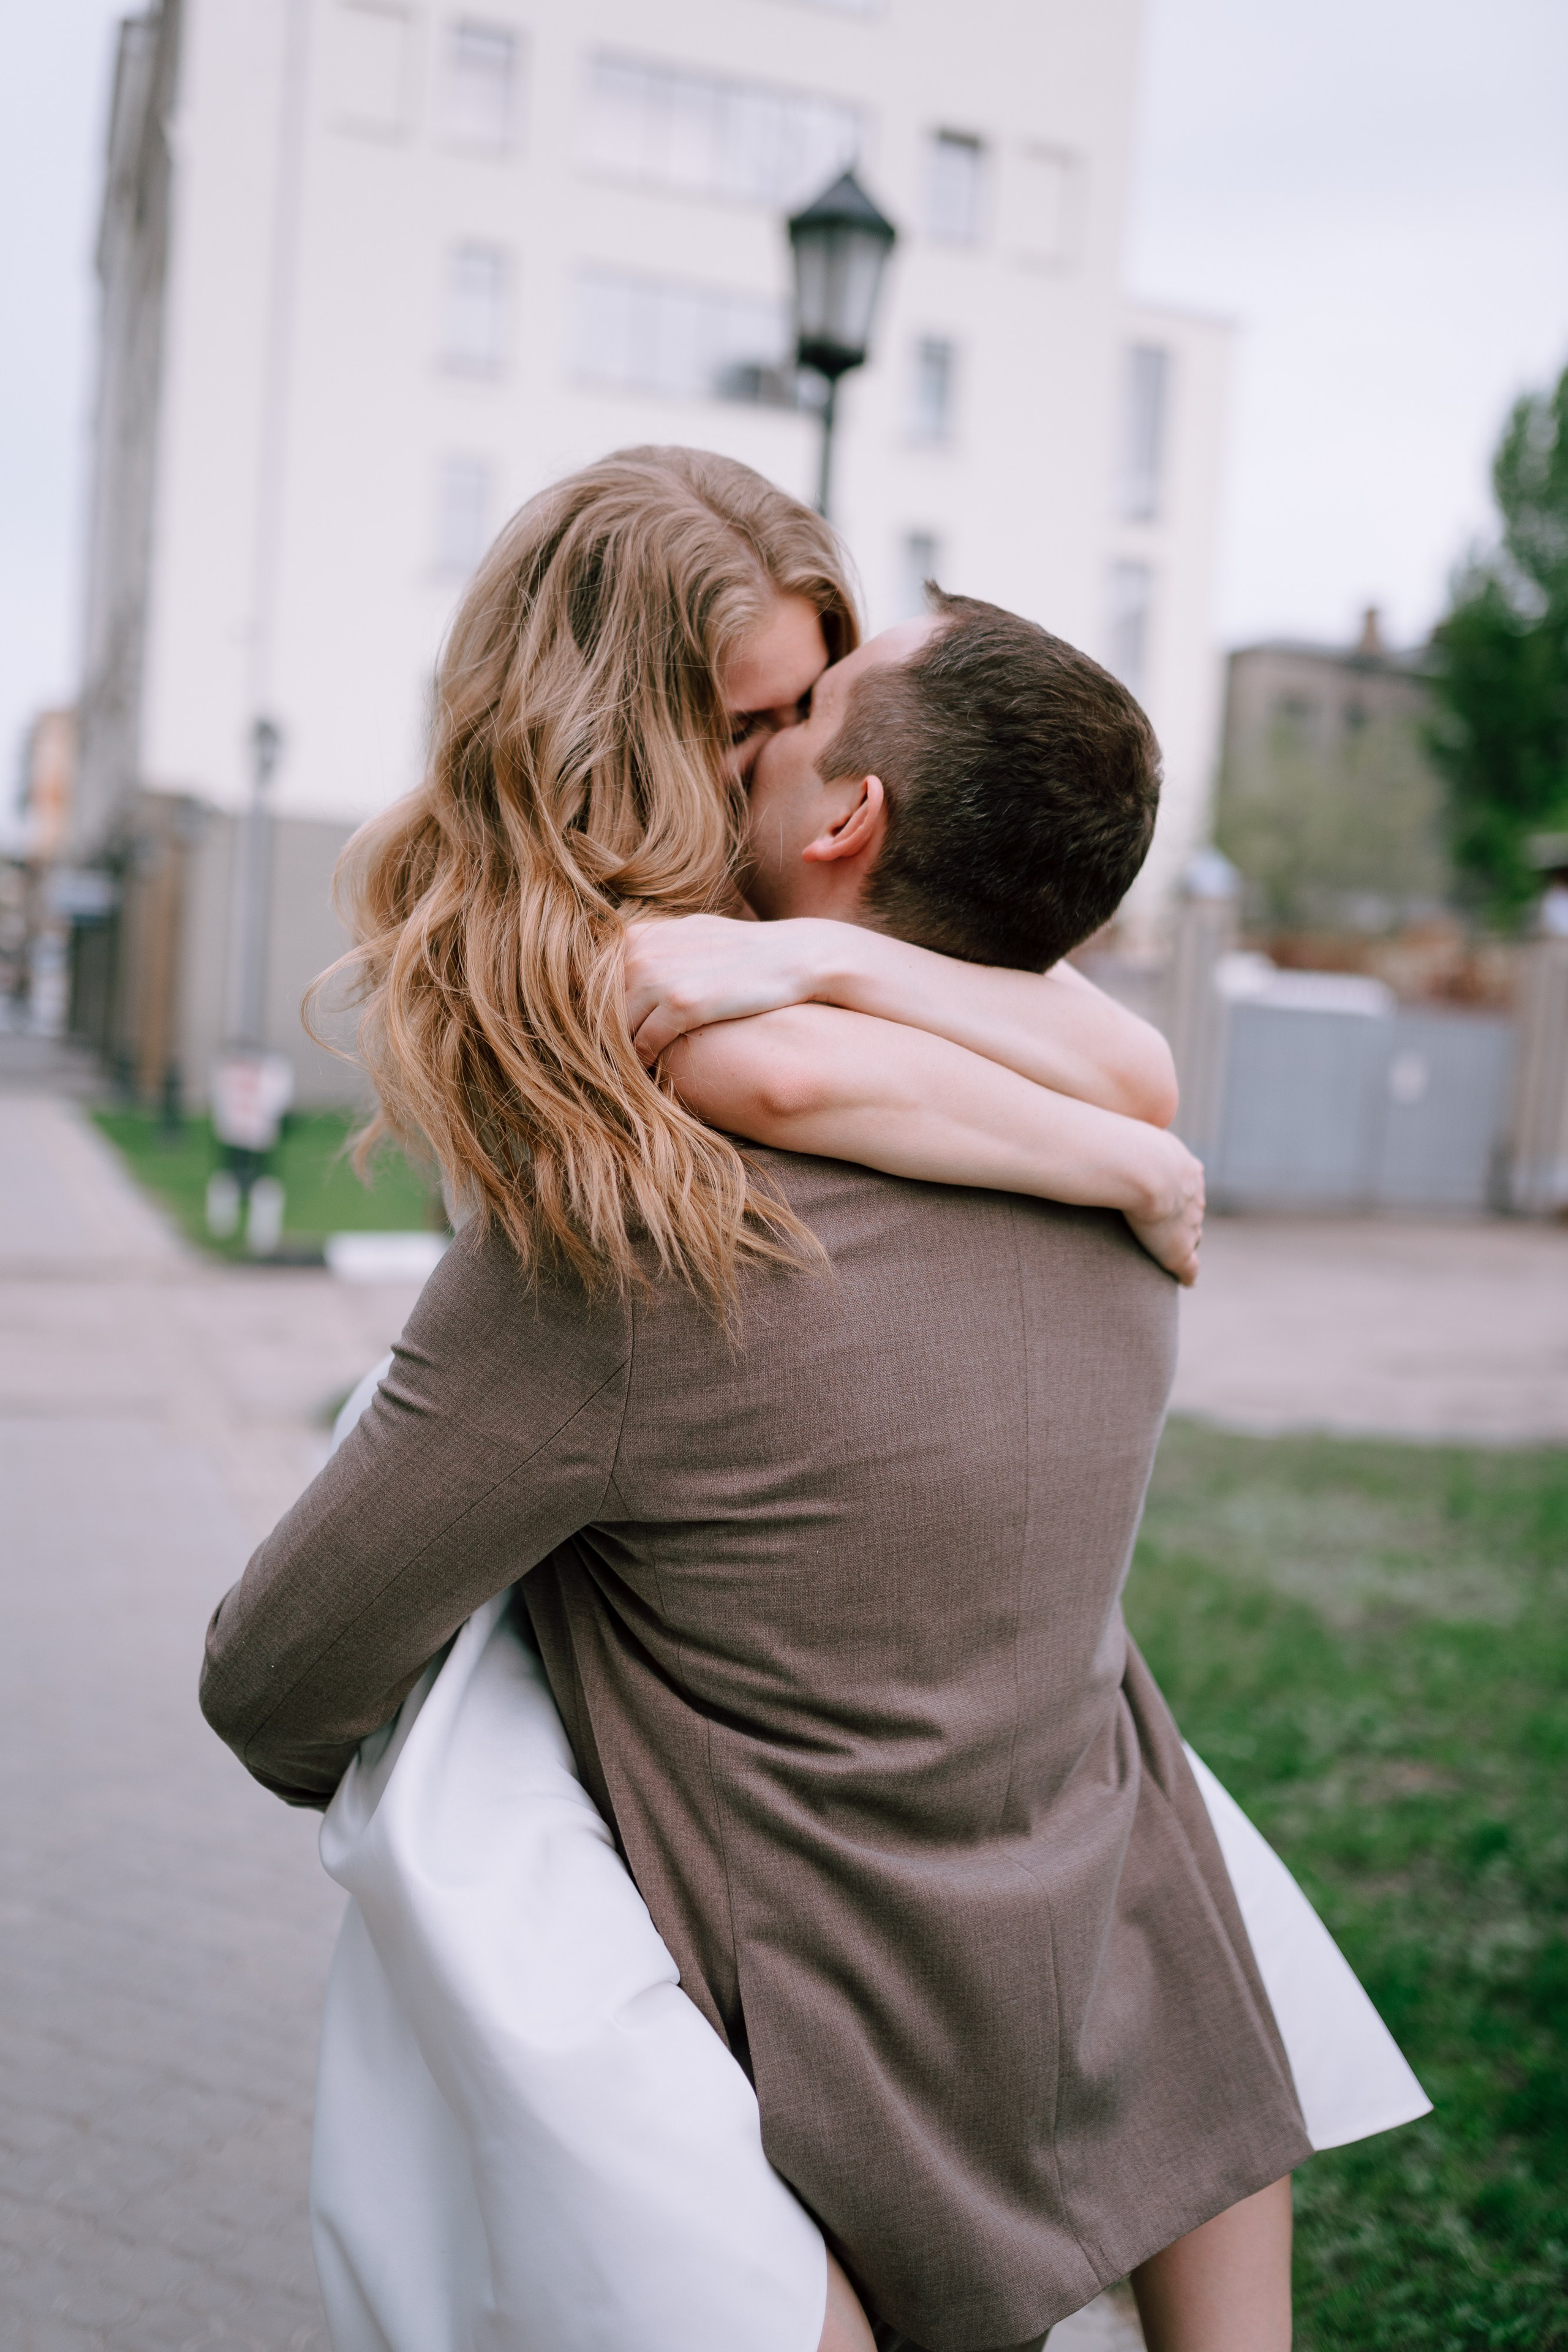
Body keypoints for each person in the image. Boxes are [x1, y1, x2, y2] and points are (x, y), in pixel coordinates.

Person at [201, 451, 1425, 2352]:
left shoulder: (666, 1177)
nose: (773, 760)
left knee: (471, 1814)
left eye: (803, 714)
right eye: (741, 719)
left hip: (795, 1964)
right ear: (625, 743)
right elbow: (1016, 1071)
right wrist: (1111, 1159)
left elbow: (277, 1684)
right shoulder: (761, 1051)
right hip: (1037, 1920)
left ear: (846, 804)